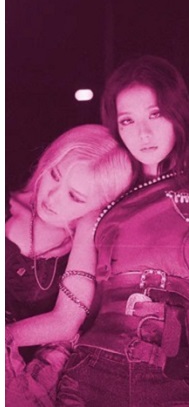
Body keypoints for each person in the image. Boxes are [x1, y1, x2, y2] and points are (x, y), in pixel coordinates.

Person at [55, 55, 189, 406]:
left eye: (156, 114)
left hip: (180, 382)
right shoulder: (108, 199)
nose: (143, 134)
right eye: (127, 120)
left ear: (179, 113)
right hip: (91, 373)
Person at [6, 124, 134, 407]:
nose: (52, 197)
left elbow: (66, 322)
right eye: (54, 175)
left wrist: (88, 223)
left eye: (75, 196)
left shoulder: (82, 241)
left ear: (99, 206)